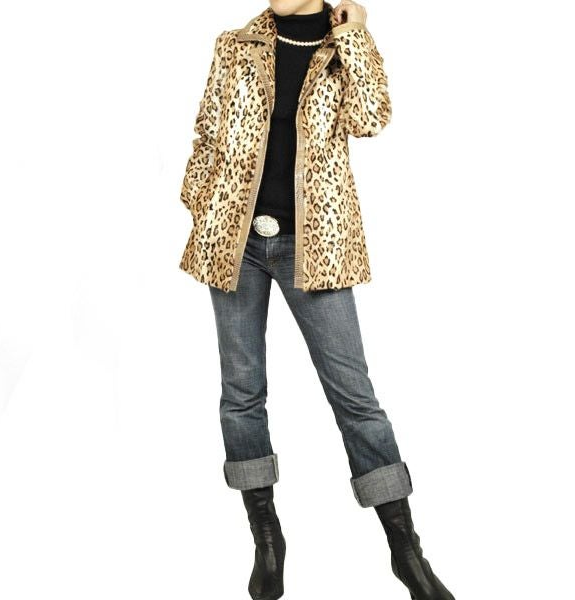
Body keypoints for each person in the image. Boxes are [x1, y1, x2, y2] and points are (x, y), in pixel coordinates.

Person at [178, 1, 456, 599]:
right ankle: (266, 538)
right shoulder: (235, 45)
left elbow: (372, 116)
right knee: (241, 393)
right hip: (234, 243)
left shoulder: (341, 48)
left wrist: (354, 36)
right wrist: (204, 209)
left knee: (355, 398)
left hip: (316, 247)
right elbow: (207, 132)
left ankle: (405, 550)